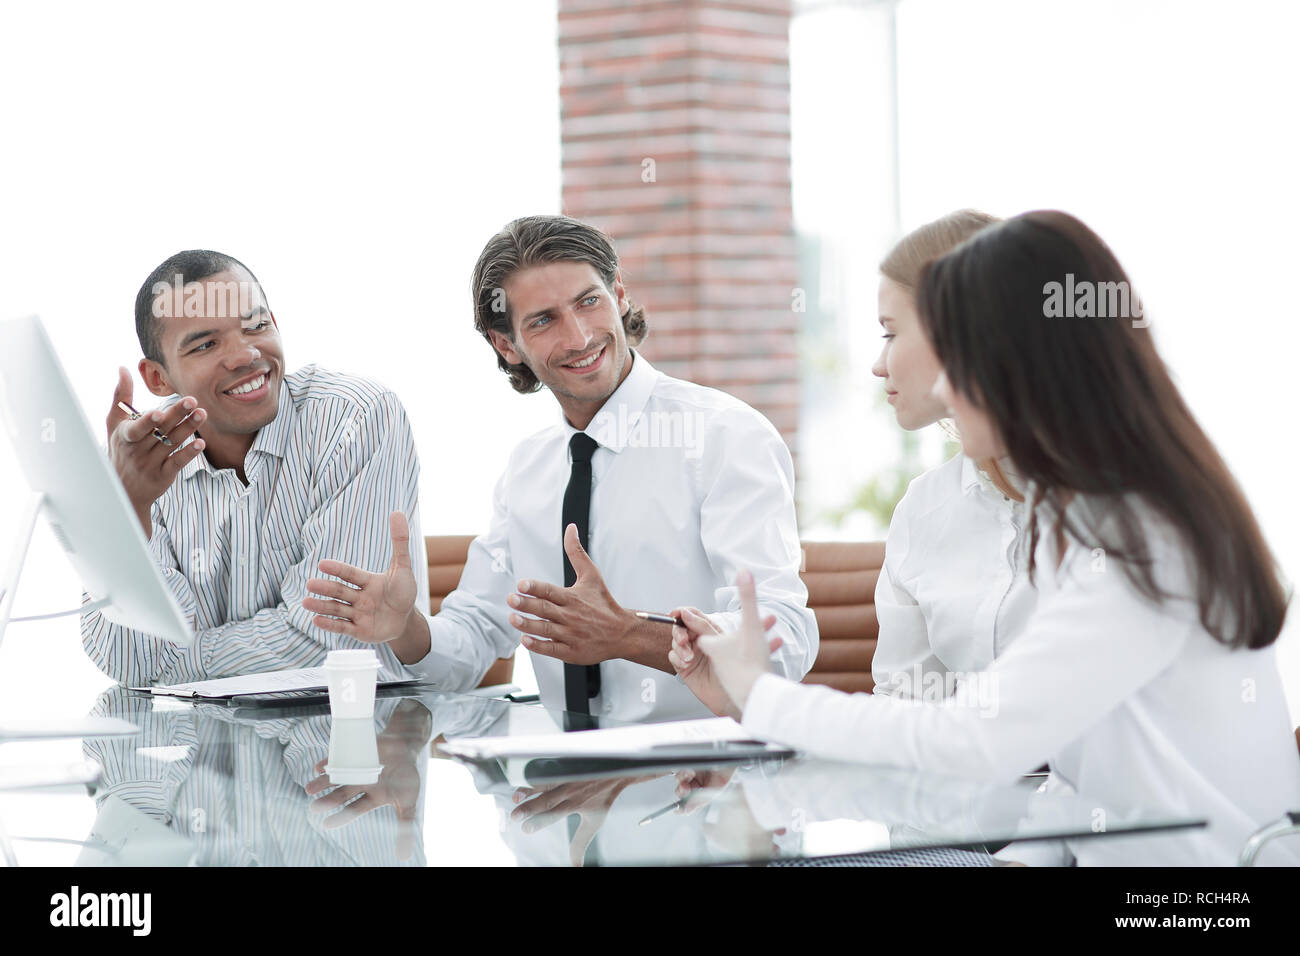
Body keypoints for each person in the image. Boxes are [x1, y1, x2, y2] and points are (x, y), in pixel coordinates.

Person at [682, 211, 1300, 866]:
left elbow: (978, 739)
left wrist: (763, 696)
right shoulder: (1082, 518)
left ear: (1020, 365)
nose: (946, 386)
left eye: (961, 359)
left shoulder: (1138, 536)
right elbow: (1075, 777)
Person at [308, 214, 818, 722]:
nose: (578, 337)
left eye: (588, 302)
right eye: (544, 320)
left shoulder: (724, 436)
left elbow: (785, 644)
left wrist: (628, 635)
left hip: (705, 781)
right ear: (507, 345)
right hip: (562, 784)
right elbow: (472, 641)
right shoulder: (530, 466)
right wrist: (405, 628)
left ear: (619, 296)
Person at [671, 210, 1034, 715]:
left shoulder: (1118, 512)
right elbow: (905, 716)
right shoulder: (927, 509)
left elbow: (1018, 727)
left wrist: (765, 706)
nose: (878, 364)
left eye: (890, 333)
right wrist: (752, 721)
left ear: (963, 335)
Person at [82, 250, 429, 685]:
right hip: (203, 748)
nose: (245, 355)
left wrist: (176, 660)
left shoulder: (354, 419)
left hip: (348, 736)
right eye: (206, 344)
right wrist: (131, 511)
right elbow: (125, 660)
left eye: (256, 326)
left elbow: (329, 643)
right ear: (158, 379)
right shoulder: (138, 460)